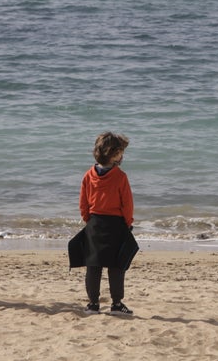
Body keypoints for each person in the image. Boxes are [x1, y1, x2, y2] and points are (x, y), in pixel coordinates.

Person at [79, 132, 136, 316]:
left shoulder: (89, 175)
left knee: (93, 265)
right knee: (116, 266)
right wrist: (128, 223)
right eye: (121, 152)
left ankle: (93, 304)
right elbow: (127, 204)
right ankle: (117, 304)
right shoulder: (120, 177)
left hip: (95, 223)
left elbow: (83, 203)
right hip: (116, 224)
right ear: (113, 153)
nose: (122, 155)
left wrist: (88, 220)